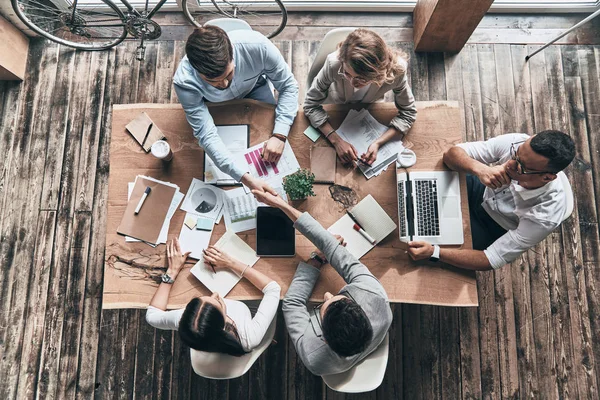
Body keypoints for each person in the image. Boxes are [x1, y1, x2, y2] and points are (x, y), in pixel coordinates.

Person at [252, 190, 392, 376]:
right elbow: (330, 245)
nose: (327, 294)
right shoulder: (376, 298)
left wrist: (316, 260)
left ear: (323, 339)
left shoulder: (313, 356)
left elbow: (292, 304)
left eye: (321, 310)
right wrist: (282, 205)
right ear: (359, 307)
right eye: (340, 298)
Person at [407, 130, 576, 271]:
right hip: (481, 190)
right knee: (423, 191)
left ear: (547, 177)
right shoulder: (517, 143)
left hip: (493, 226)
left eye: (521, 167)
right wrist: (480, 169)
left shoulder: (545, 216)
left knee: (423, 247)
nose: (510, 164)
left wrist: (434, 252)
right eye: (516, 155)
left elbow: (491, 259)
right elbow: (451, 154)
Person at [173, 25, 299, 194]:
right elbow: (206, 134)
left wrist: (280, 134)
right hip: (216, 106)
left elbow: (288, 86)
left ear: (232, 53)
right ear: (196, 71)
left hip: (256, 90)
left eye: (229, 74)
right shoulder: (184, 81)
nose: (224, 85)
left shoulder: (259, 47)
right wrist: (244, 178)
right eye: (214, 81)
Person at [146, 238, 280, 355]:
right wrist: (231, 263)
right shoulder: (249, 337)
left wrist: (172, 271)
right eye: (219, 302)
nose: (215, 293)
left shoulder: (185, 319)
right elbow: (273, 289)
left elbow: (152, 316)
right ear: (223, 325)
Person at [303, 28, 417, 165]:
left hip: (370, 106)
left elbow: (409, 113)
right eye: (347, 73)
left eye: (361, 79)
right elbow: (310, 104)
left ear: (379, 72)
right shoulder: (334, 63)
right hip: (337, 106)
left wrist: (378, 143)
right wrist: (336, 141)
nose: (353, 83)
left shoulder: (398, 70)